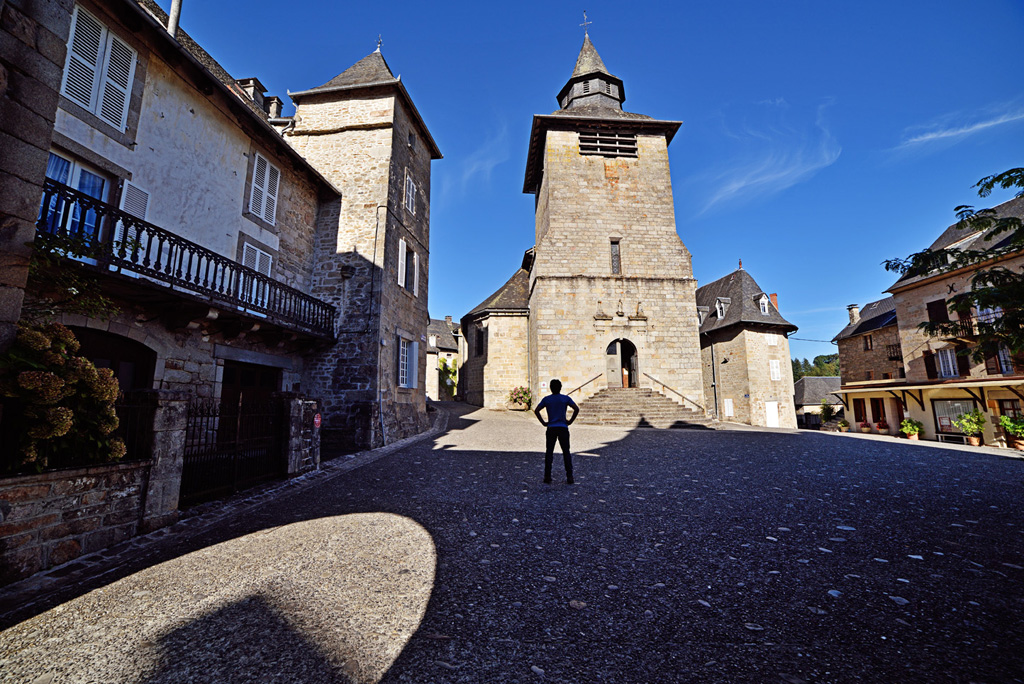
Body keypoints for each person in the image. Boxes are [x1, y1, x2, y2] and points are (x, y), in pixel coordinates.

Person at [533, 379, 579, 484]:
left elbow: (537, 410)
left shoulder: (547, 399)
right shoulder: (565, 398)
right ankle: (569, 476)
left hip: (551, 428)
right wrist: (570, 421)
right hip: (563, 427)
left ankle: (547, 476)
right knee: (566, 452)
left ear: (550, 388)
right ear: (560, 387)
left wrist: (544, 423)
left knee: (549, 452)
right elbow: (576, 409)